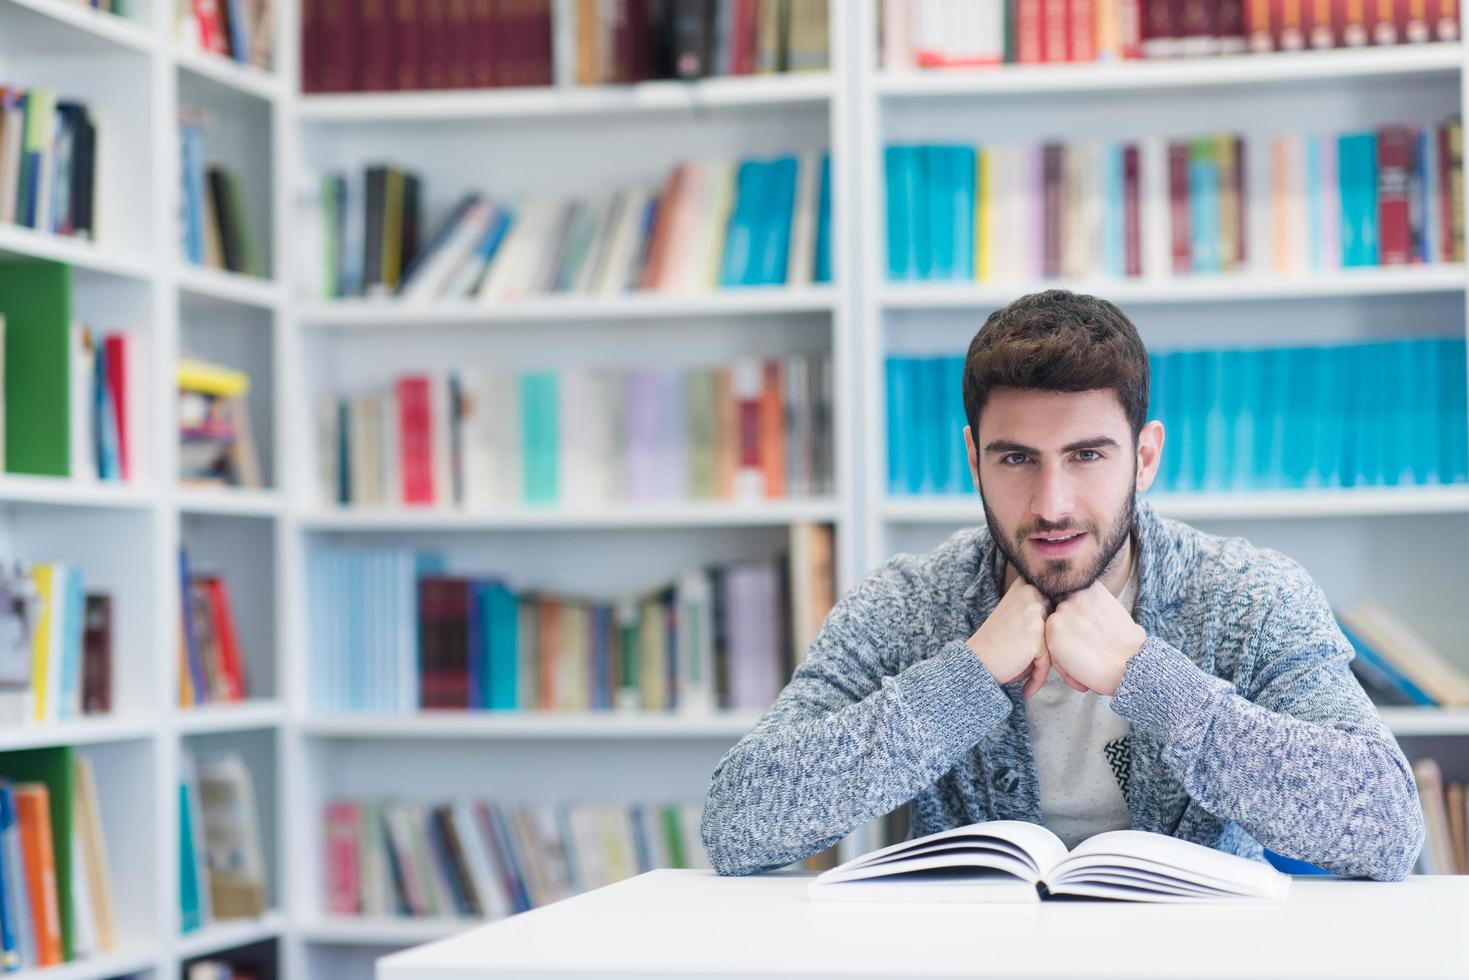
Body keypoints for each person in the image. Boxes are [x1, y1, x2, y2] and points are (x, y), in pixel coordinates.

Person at [700, 289, 1424, 881]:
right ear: (972, 460)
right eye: (1015, 459)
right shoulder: (905, 605)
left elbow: (1386, 828)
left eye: (1085, 455)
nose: (1052, 503)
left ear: (1143, 458)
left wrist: (1151, 681)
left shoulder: (1247, 597)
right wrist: (963, 679)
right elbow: (737, 824)